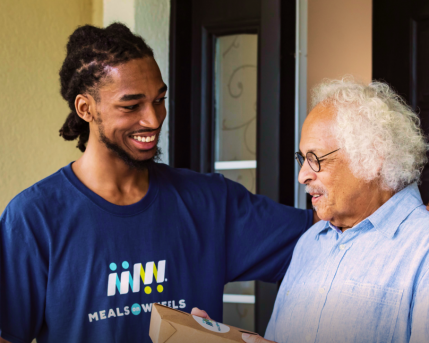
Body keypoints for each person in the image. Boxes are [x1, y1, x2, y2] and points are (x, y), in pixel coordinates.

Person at [0, 23, 315, 343]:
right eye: (131, 105)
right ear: (86, 108)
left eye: (159, 99)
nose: (153, 119)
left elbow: (330, 239)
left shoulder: (211, 202)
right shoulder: (32, 219)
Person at [234, 79, 429, 343]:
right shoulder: (309, 244)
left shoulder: (422, 248)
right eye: (302, 159)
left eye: (316, 159)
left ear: (372, 157)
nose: (302, 175)